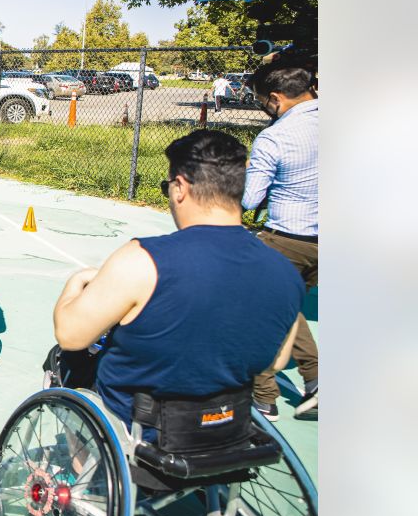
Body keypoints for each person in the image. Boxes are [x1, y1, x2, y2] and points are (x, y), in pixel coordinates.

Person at [49, 130, 303, 429]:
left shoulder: (142, 260)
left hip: (140, 428)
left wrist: (76, 283)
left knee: (67, 360)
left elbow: (70, 335)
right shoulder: (284, 271)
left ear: (180, 187)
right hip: (226, 427)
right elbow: (276, 360)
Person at [244, 58, 320, 421]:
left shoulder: (275, 136)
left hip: (288, 237)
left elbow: (249, 198)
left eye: (262, 101)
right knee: (289, 309)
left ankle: (264, 398)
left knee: (260, 313)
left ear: (275, 98)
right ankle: (317, 379)